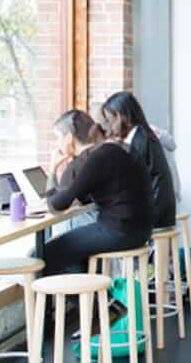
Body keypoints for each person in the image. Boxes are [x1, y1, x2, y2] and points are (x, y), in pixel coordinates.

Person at [41, 109, 153, 277]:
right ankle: (86, 301)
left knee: (39, 255)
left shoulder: (97, 158)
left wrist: (52, 170)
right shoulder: (114, 149)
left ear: (69, 138)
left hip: (120, 231)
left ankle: (70, 301)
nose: (57, 145)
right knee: (73, 253)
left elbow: (56, 205)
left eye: (58, 138)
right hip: (139, 230)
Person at [100, 91, 177, 230]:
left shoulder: (139, 142)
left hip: (154, 213)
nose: (109, 127)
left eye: (110, 120)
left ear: (120, 116)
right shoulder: (142, 135)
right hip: (161, 209)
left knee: (96, 223)